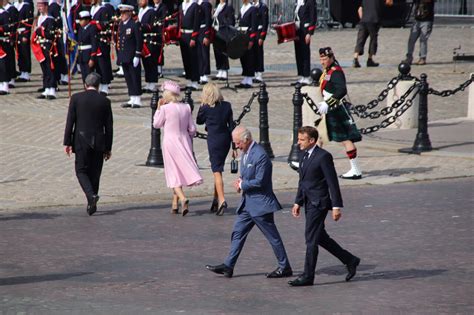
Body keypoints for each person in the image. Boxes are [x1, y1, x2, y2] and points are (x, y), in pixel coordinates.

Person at [206, 126, 293, 279]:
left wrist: (243, 185)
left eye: (238, 143)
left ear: (246, 140)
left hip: (260, 205)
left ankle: (284, 266)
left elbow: (260, 181)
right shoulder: (246, 153)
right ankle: (228, 265)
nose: (237, 146)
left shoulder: (260, 155)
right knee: (237, 233)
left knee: (273, 237)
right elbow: (247, 174)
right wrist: (241, 181)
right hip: (247, 204)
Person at [288, 126, 360, 287]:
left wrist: (336, 206)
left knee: (311, 239)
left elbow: (332, 182)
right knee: (320, 237)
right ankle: (350, 260)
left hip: (319, 203)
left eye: (301, 139)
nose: (298, 142)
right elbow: (303, 181)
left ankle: (308, 276)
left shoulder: (323, 157)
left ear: (311, 140)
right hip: (308, 202)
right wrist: (297, 201)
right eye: (298, 139)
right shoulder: (303, 154)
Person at [63, 72, 114, 216]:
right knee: (95, 173)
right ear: (98, 86)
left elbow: (70, 121)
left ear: (85, 84)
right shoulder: (105, 101)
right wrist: (108, 147)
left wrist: (67, 142)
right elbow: (109, 127)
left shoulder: (76, 98)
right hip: (99, 140)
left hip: (81, 140)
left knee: (81, 170)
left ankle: (91, 197)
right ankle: (92, 202)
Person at [153, 80, 203, 216]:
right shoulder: (186, 107)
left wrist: (158, 108)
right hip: (184, 141)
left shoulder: (164, 108)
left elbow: (156, 124)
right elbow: (192, 129)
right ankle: (174, 204)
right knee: (179, 170)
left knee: (173, 172)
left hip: (170, 141)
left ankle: (182, 198)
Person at [318, 47, 362, 180]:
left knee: (344, 139)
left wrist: (328, 103)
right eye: (321, 59)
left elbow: (342, 90)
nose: (322, 62)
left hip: (335, 109)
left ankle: (355, 169)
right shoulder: (328, 70)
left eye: (324, 59)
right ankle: (313, 166)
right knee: (319, 136)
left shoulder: (336, 72)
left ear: (331, 58)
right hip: (329, 108)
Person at [196, 83, 235, 216]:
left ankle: (222, 200)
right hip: (226, 140)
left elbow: (199, 121)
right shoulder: (227, 105)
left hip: (214, 140)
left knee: (216, 171)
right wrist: (234, 146)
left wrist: (202, 106)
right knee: (218, 168)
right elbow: (231, 126)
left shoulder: (205, 108)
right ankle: (215, 198)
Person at [117, 3, 143, 108]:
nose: (122, 15)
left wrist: (137, 55)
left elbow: (139, 41)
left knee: (135, 77)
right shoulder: (121, 24)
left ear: (129, 13)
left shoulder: (134, 24)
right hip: (124, 56)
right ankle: (132, 97)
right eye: (121, 12)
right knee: (128, 77)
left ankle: (137, 99)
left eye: (124, 12)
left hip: (132, 56)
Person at [352, 0, 393, 68]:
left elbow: (360, 9)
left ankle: (355, 58)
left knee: (360, 39)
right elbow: (389, 2)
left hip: (364, 20)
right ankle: (370, 59)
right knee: (373, 39)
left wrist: (362, 19)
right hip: (374, 20)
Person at [33, 0, 57, 99]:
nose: (39, 7)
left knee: (50, 67)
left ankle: (52, 90)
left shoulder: (50, 19)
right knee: (44, 68)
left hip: (48, 46)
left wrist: (38, 30)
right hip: (40, 46)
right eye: (38, 5)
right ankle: (46, 88)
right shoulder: (39, 18)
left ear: (46, 6)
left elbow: (50, 34)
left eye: (41, 5)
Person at [91, 0, 114, 95]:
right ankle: (98, 84)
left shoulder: (104, 9)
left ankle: (105, 86)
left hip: (102, 41)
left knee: (103, 63)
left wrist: (93, 23)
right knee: (97, 64)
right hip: (94, 40)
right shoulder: (92, 8)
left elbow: (105, 25)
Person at [401, 0, 434, 66]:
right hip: (417, 19)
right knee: (411, 40)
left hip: (427, 20)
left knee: (423, 39)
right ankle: (409, 57)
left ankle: (422, 58)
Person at [292, 0, 316, 86]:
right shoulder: (297, 2)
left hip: (305, 31)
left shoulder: (310, 2)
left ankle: (307, 76)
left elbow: (313, 17)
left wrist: (309, 33)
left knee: (305, 53)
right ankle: (301, 75)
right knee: (298, 53)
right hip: (297, 31)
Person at [235, 0, 258, 89]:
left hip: (248, 35)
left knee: (249, 57)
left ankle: (250, 79)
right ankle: (245, 77)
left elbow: (254, 25)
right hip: (242, 34)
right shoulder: (242, 8)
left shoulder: (252, 9)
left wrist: (251, 39)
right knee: (243, 57)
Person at [138, 0, 159, 93]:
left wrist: (140, 26)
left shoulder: (152, 12)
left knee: (151, 62)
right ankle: (148, 82)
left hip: (150, 40)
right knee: (146, 62)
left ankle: (152, 83)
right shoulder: (140, 11)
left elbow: (153, 26)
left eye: (142, 0)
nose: (140, 2)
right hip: (143, 40)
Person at [179, 0, 200, 90]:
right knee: (186, 59)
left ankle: (195, 81)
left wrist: (194, 38)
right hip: (183, 35)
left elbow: (196, 22)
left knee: (193, 59)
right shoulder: (181, 5)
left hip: (191, 34)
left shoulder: (195, 6)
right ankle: (189, 80)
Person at [211, 0, 234, 81]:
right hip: (216, 32)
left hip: (223, 32)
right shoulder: (217, 6)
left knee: (223, 52)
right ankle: (219, 70)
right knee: (217, 51)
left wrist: (224, 25)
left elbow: (231, 21)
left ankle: (224, 70)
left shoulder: (228, 7)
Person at [48, 0, 69, 85]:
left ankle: (64, 75)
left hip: (63, 34)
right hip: (56, 35)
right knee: (58, 56)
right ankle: (59, 76)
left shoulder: (65, 5)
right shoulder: (53, 6)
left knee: (62, 55)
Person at [76, 11, 99, 83]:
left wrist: (92, 58)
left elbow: (94, 44)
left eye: (81, 20)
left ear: (87, 20)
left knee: (89, 75)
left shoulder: (92, 29)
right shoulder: (80, 29)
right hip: (81, 55)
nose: (80, 22)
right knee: (84, 75)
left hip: (88, 54)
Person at [16, 0, 34, 83]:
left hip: (23, 33)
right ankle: (22, 71)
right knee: (20, 53)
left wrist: (26, 35)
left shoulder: (27, 6)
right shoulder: (17, 5)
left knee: (25, 53)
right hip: (17, 33)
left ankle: (26, 73)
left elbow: (29, 22)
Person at [253, 0, 268, 84]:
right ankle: (254, 72)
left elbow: (265, 22)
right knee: (253, 54)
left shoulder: (263, 7)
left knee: (258, 53)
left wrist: (262, 37)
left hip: (259, 32)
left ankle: (259, 74)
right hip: (252, 33)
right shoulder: (252, 6)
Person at [197, 0, 212, 85]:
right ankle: (200, 72)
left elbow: (207, 20)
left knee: (204, 53)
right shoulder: (198, 3)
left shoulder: (206, 4)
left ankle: (205, 73)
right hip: (198, 30)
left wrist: (206, 35)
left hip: (203, 30)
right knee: (199, 53)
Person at [153, 0, 167, 78]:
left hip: (159, 32)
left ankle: (159, 69)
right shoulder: (151, 7)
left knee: (160, 51)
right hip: (152, 32)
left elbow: (164, 20)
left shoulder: (163, 7)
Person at [0, 0, 12, 95]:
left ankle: (5, 84)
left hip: (3, 44)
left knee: (3, 65)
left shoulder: (5, 14)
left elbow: (7, 28)